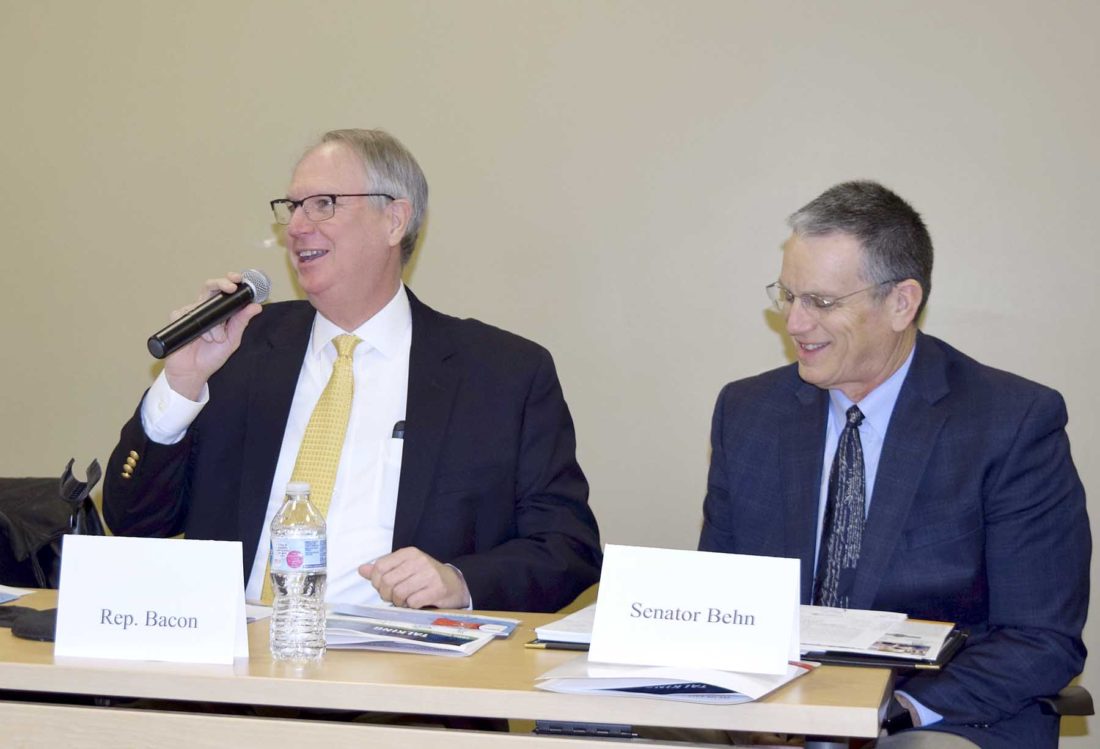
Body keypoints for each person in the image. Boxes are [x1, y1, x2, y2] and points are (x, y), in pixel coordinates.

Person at [103, 128, 601, 613]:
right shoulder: (238, 348)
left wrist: (459, 581)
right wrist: (182, 383)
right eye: (292, 207)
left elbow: (566, 547)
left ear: (394, 221)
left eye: (323, 204)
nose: (296, 228)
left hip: (398, 662)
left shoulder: (501, 375)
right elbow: (134, 522)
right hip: (237, 652)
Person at [699, 181, 1089, 748]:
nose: (795, 323)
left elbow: (1039, 638)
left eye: (821, 302)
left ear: (901, 303)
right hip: (773, 709)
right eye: (788, 295)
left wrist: (886, 713)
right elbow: (719, 601)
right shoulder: (748, 411)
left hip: (936, 715)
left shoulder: (1011, 422)